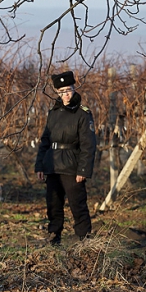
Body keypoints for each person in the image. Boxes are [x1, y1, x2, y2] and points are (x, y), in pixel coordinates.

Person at [35, 71, 96, 245]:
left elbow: (88, 144)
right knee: (53, 204)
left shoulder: (83, 114)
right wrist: (40, 166)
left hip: (72, 165)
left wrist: (83, 169)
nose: (65, 95)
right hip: (52, 164)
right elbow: (45, 140)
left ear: (74, 88)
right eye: (61, 91)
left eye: (68, 90)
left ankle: (84, 239)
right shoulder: (53, 113)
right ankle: (55, 235)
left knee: (77, 204)